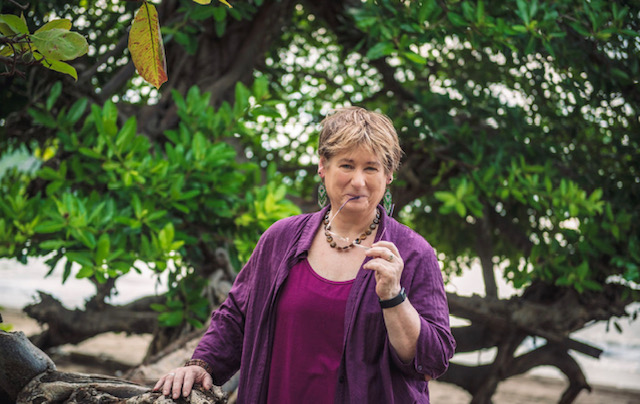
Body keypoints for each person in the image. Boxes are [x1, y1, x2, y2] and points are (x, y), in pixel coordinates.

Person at [154, 106, 456, 403]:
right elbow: (236, 317)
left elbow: (432, 360)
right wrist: (201, 365)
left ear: (388, 175)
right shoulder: (280, 238)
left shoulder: (414, 253)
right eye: (347, 165)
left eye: (371, 168)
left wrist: (393, 297)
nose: (358, 181)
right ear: (323, 166)